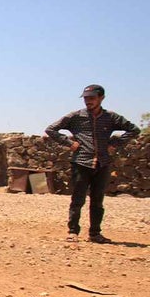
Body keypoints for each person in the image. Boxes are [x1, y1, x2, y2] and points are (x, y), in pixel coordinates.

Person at [45, 84, 139, 243]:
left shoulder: (111, 117)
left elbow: (134, 130)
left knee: (97, 200)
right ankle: (73, 231)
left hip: (102, 163)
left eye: (92, 98)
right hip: (81, 162)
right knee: (78, 199)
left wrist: (115, 144)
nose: (88, 101)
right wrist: (69, 143)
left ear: (101, 98)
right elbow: (51, 130)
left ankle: (95, 233)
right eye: (86, 98)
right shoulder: (76, 117)